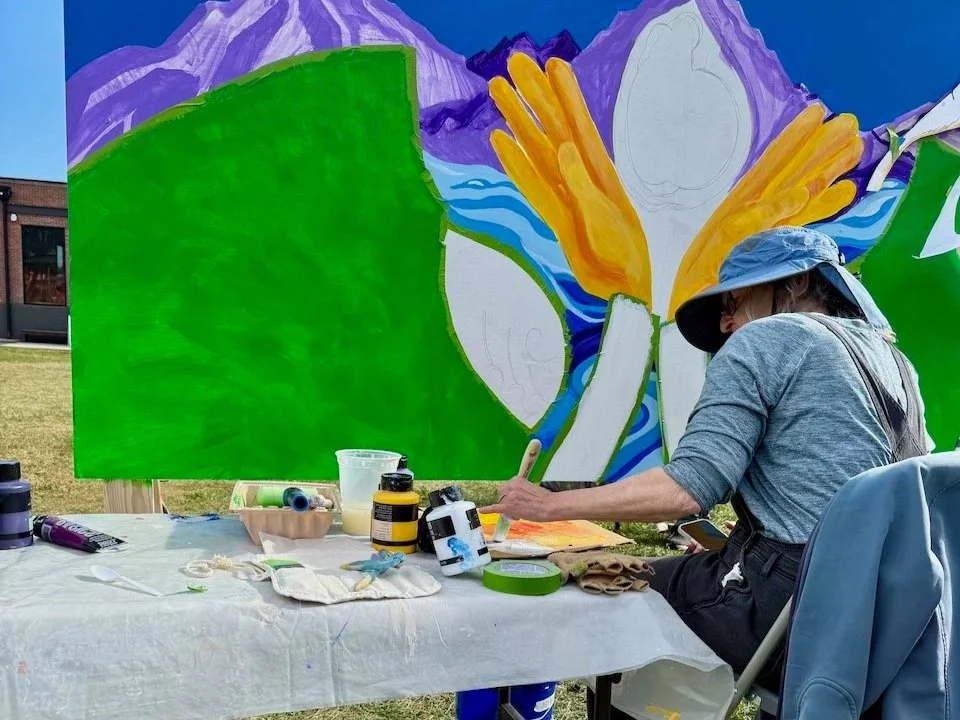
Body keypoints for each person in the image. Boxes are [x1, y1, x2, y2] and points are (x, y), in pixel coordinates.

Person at [481, 226, 931, 715]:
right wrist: (745, 540)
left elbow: (688, 490)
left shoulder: (771, 336)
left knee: (615, 585)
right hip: (898, 618)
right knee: (696, 568)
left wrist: (547, 505)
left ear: (798, 284)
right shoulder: (896, 359)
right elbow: (848, 494)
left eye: (734, 301)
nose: (726, 323)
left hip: (795, 610)